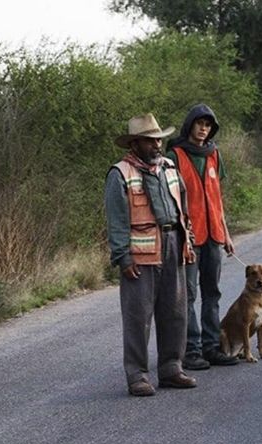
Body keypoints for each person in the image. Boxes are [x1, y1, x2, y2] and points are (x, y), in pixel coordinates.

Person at [105, 113, 198, 396]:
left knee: (176, 311)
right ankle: (137, 376)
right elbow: (116, 219)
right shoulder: (120, 173)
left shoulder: (169, 167)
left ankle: (171, 368)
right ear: (135, 144)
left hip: (173, 244)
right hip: (140, 253)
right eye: (150, 141)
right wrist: (123, 256)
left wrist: (189, 241)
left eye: (158, 139)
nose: (157, 145)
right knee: (138, 317)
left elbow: (183, 208)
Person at [166, 104, 239, 370]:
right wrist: (177, 236)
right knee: (188, 295)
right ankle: (191, 350)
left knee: (213, 292)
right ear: (190, 126)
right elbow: (169, 199)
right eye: (199, 124)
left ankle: (211, 347)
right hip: (188, 237)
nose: (203, 129)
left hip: (214, 236)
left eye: (208, 125)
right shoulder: (175, 155)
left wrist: (227, 235)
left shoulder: (214, 154)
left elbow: (217, 198)